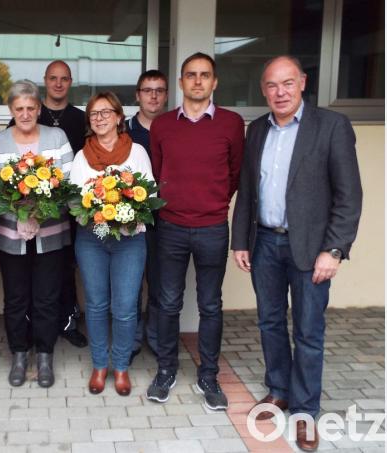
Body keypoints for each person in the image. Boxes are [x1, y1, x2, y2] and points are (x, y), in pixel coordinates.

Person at [231, 55, 362, 451]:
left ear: (303, 82)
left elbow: (348, 196)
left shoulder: (332, 127)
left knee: (308, 331)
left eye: (287, 83)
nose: (280, 92)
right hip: (265, 243)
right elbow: (247, 192)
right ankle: (279, 390)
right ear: (263, 90)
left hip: (310, 249)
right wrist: (240, 241)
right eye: (272, 85)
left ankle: (305, 412)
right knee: (270, 323)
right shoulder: (256, 130)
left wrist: (334, 250)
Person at [145, 52, 245, 409]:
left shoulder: (232, 123)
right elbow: (158, 172)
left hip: (213, 228)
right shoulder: (163, 125)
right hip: (171, 226)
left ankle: (208, 376)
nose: (198, 81)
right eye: (191, 75)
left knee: (210, 305)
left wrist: (214, 201)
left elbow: (235, 174)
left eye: (205, 75)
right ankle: (166, 370)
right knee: (168, 303)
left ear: (214, 82)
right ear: (182, 82)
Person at [0, 80, 75, 388]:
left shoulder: (57, 137)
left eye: (31, 108)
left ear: (39, 108)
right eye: (19, 109)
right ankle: (19, 354)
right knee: (15, 298)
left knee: (46, 298)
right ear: (11, 110)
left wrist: (39, 214)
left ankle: (44, 355)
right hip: (10, 237)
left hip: (51, 234)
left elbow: (69, 186)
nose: (25, 114)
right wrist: (20, 216)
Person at [69, 92, 154, 397]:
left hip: (130, 239)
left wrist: (125, 212)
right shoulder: (82, 157)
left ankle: (120, 367)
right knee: (95, 305)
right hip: (92, 239)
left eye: (106, 112)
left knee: (125, 307)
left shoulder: (138, 153)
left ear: (119, 117)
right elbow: (77, 202)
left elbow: (149, 195)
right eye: (94, 114)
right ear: (89, 121)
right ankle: (99, 365)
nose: (100, 118)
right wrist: (98, 208)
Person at [8, 60, 88, 348]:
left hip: (65, 210)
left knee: (66, 269)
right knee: (31, 276)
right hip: (24, 216)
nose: (58, 83)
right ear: (45, 81)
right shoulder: (21, 118)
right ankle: (32, 326)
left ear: (70, 82)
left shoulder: (80, 119)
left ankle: (67, 321)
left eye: (64, 79)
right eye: (53, 78)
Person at [124, 69, 168, 364]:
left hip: (167, 220)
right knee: (131, 283)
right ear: (137, 95)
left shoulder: (174, 128)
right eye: (147, 90)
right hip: (131, 219)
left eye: (159, 90)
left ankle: (155, 337)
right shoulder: (124, 132)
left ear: (166, 95)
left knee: (160, 282)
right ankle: (133, 338)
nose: (153, 95)